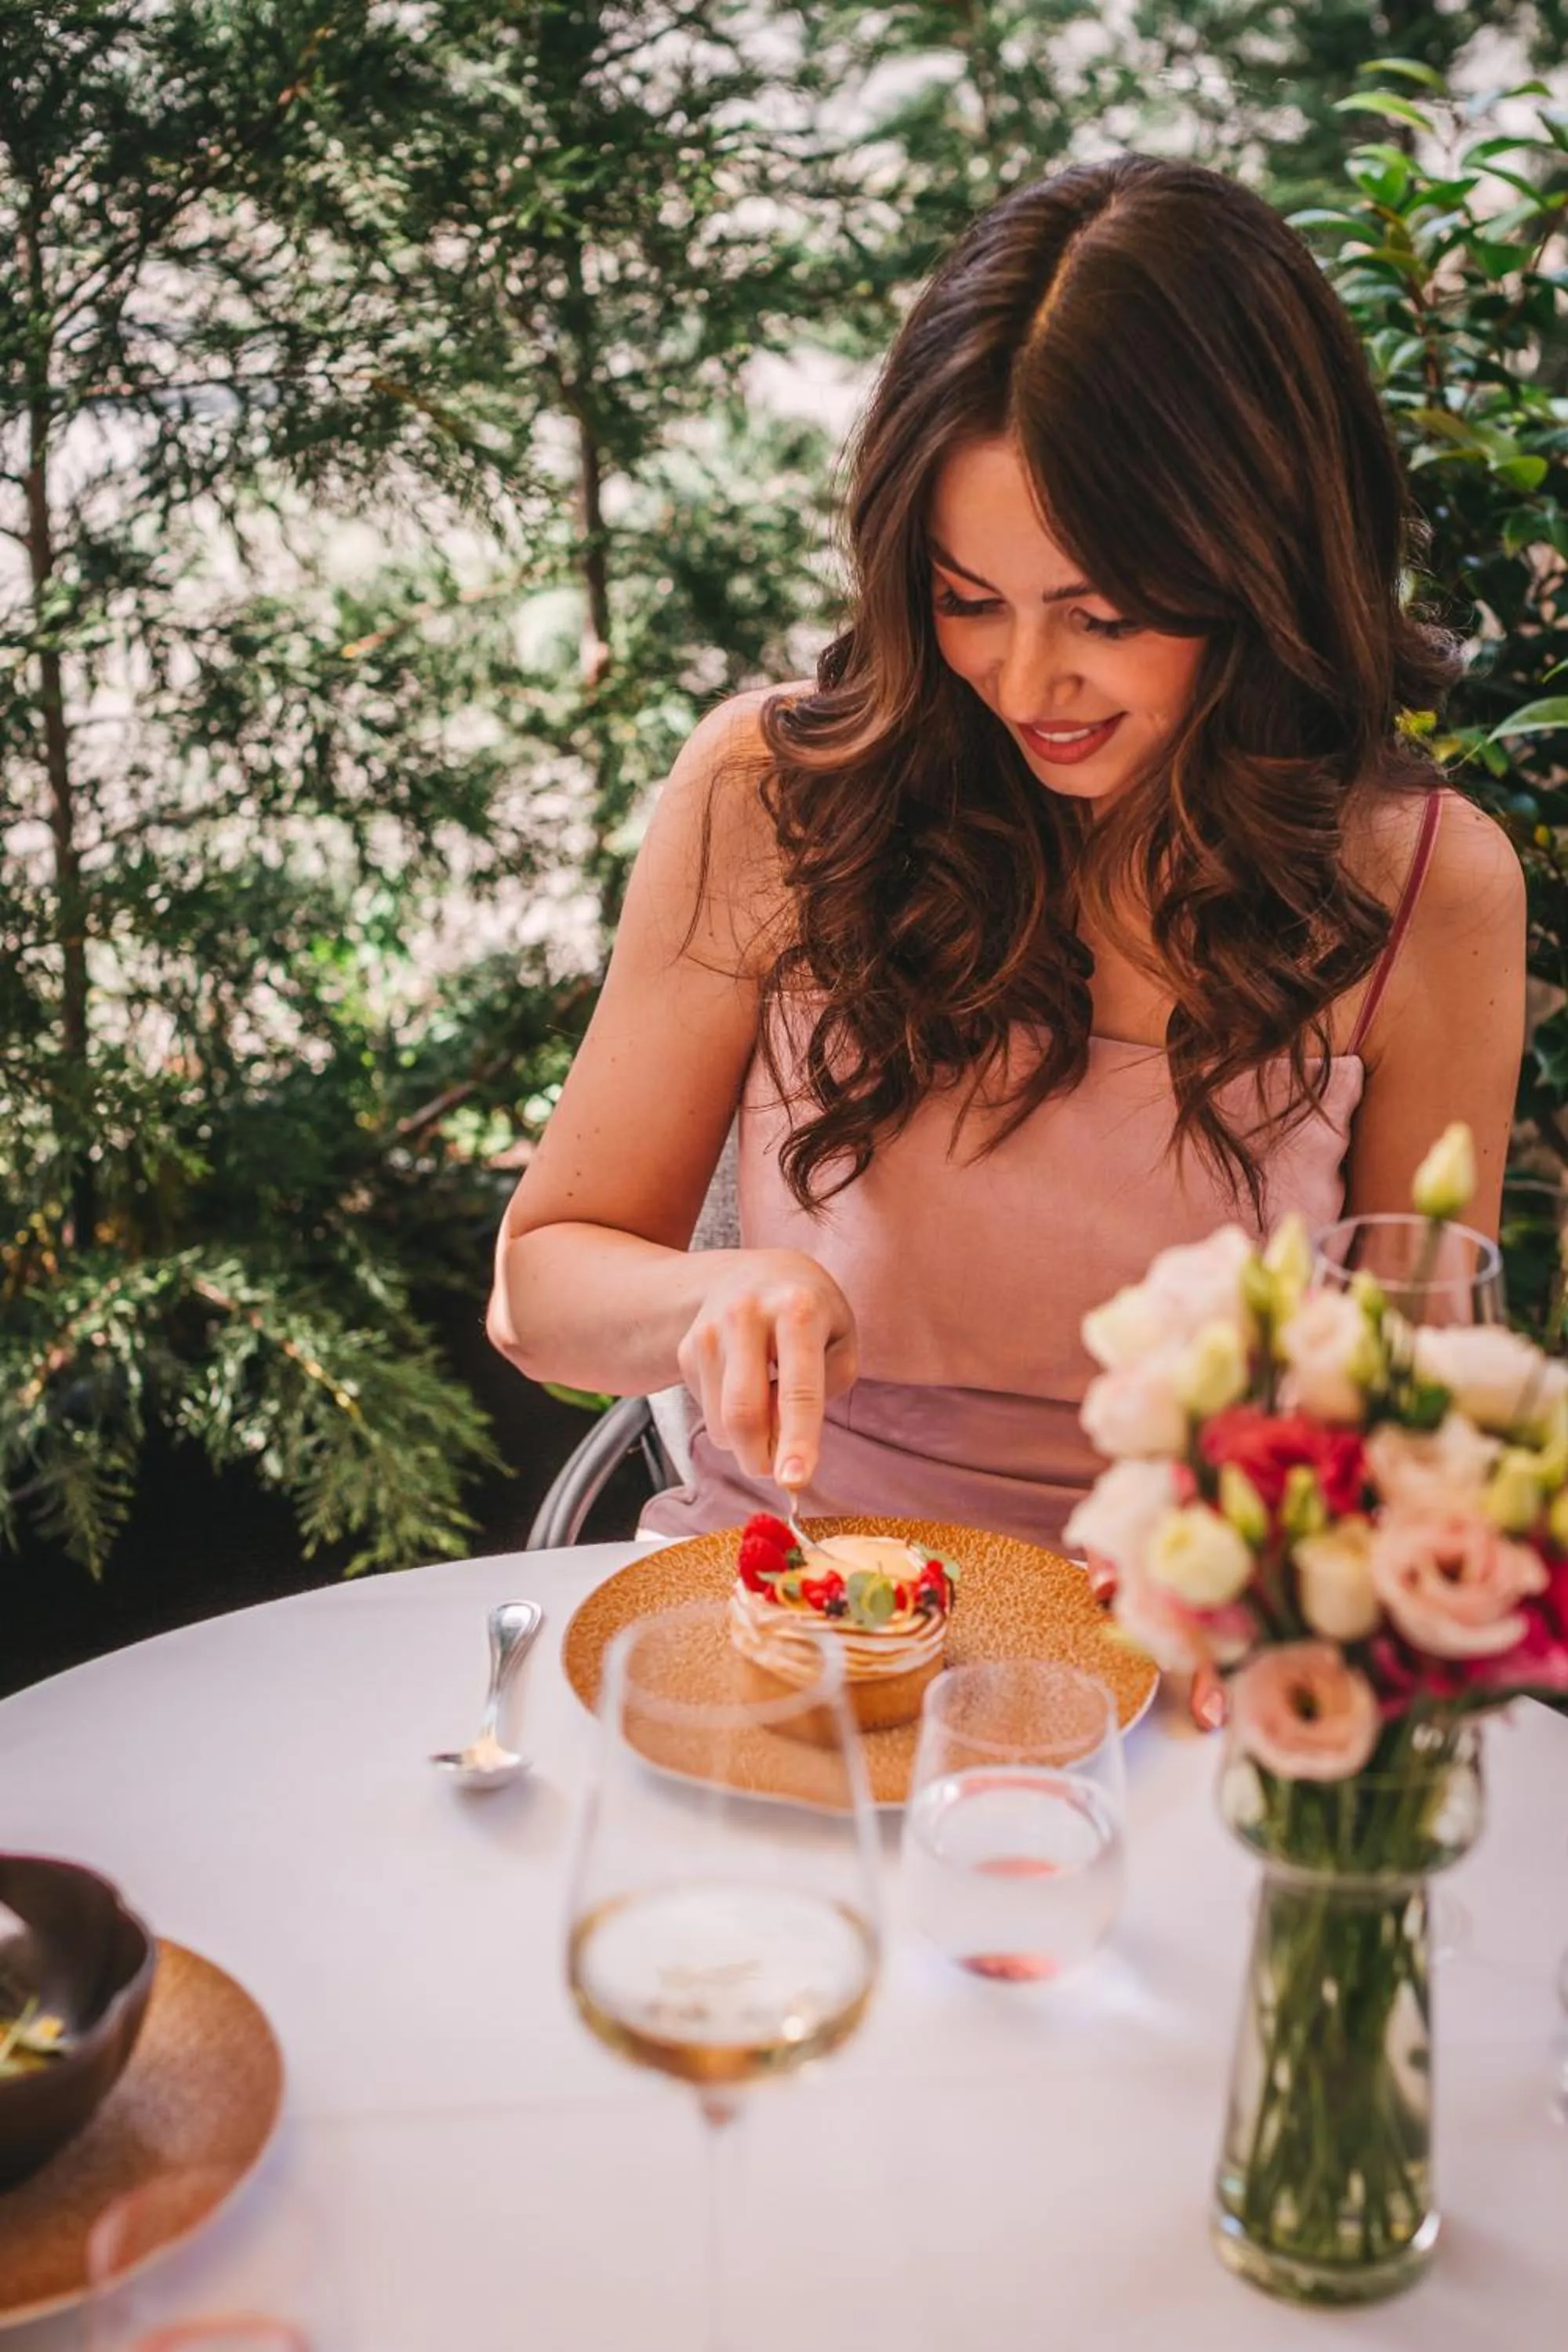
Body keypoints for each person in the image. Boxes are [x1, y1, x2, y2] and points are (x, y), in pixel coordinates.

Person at [487, 153, 1526, 1554]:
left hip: (1201, 1652)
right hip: (787, 1610)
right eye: (969, 600)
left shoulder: (1423, 887)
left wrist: (1303, 1593)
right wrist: (709, 1299)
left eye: (1102, 618)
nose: (1028, 682)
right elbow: (538, 1285)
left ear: (1267, 570)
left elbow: (1416, 1390)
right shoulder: (775, 793)